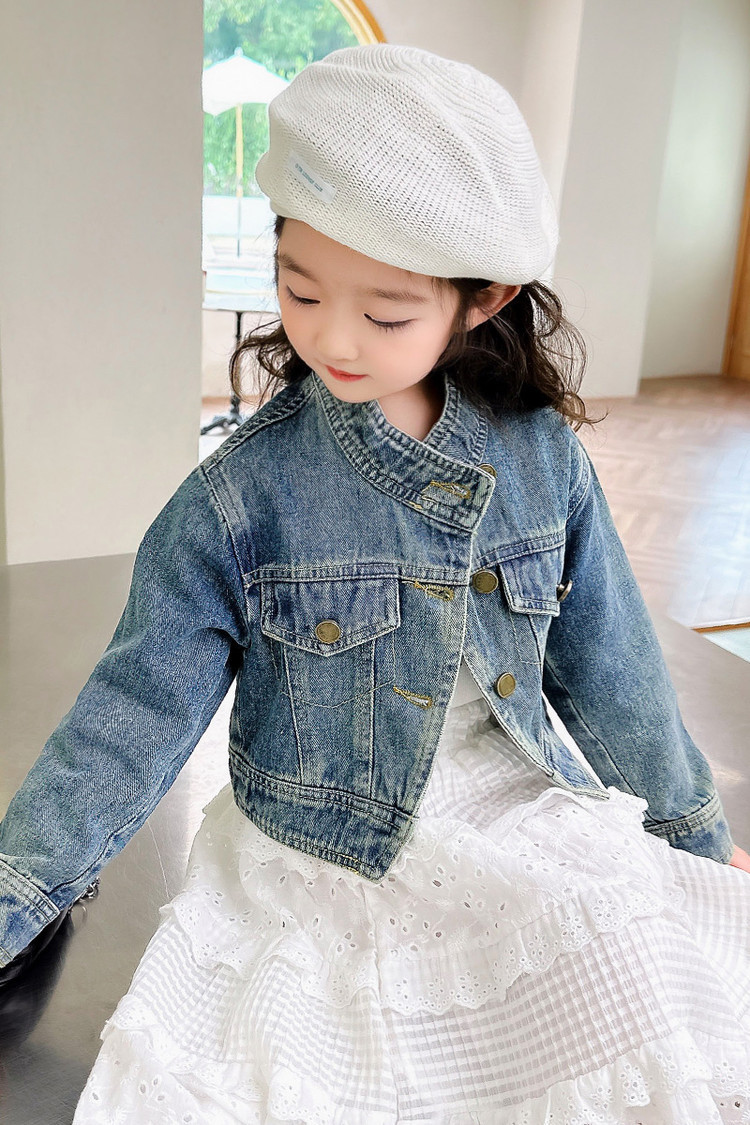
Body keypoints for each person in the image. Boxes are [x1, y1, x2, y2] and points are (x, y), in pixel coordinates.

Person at [1, 43, 748, 1122]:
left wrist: (695, 835)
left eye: (386, 314)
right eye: (299, 289)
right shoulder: (238, 498)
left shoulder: (544, 460)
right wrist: (20, 893)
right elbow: (128, 718)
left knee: (623, 971)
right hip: (319, 843)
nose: (330, 337)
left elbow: (614, 667)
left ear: (484, 299)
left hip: (513, 808)